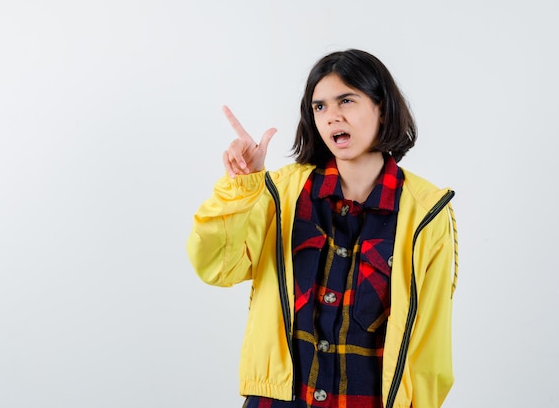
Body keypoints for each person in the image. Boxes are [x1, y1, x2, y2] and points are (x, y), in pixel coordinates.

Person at [186, 49, 459, 408]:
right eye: (320, 107)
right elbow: (215, 266)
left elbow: (429, 342)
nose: (332, 117)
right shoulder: (281, 194)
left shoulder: (427, 213)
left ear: (381, 107)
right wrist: (243, 187)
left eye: (346, 100)